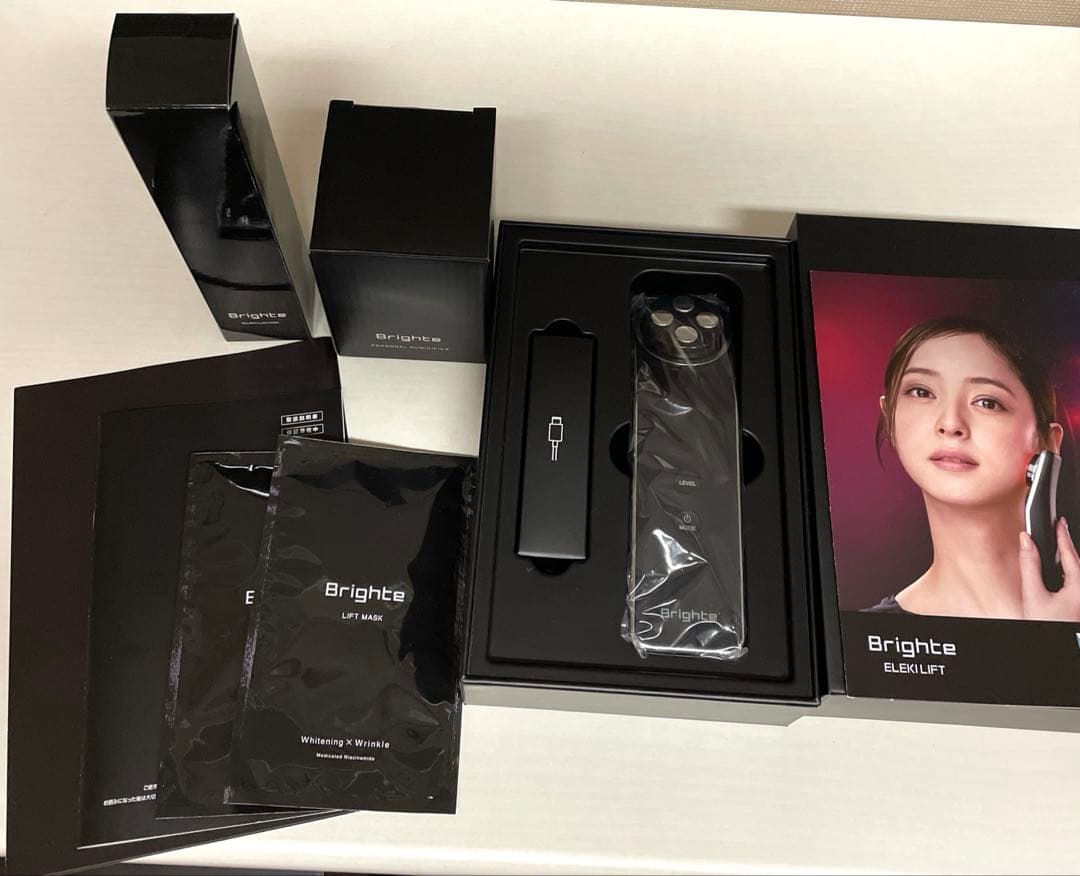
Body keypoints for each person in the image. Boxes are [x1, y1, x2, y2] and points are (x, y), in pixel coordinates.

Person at [867, 316, 1080, 621]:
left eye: (987, 402)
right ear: (890, 417)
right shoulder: (874, 632)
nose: (950, 424)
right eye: (922, 392)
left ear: (1046, 442)